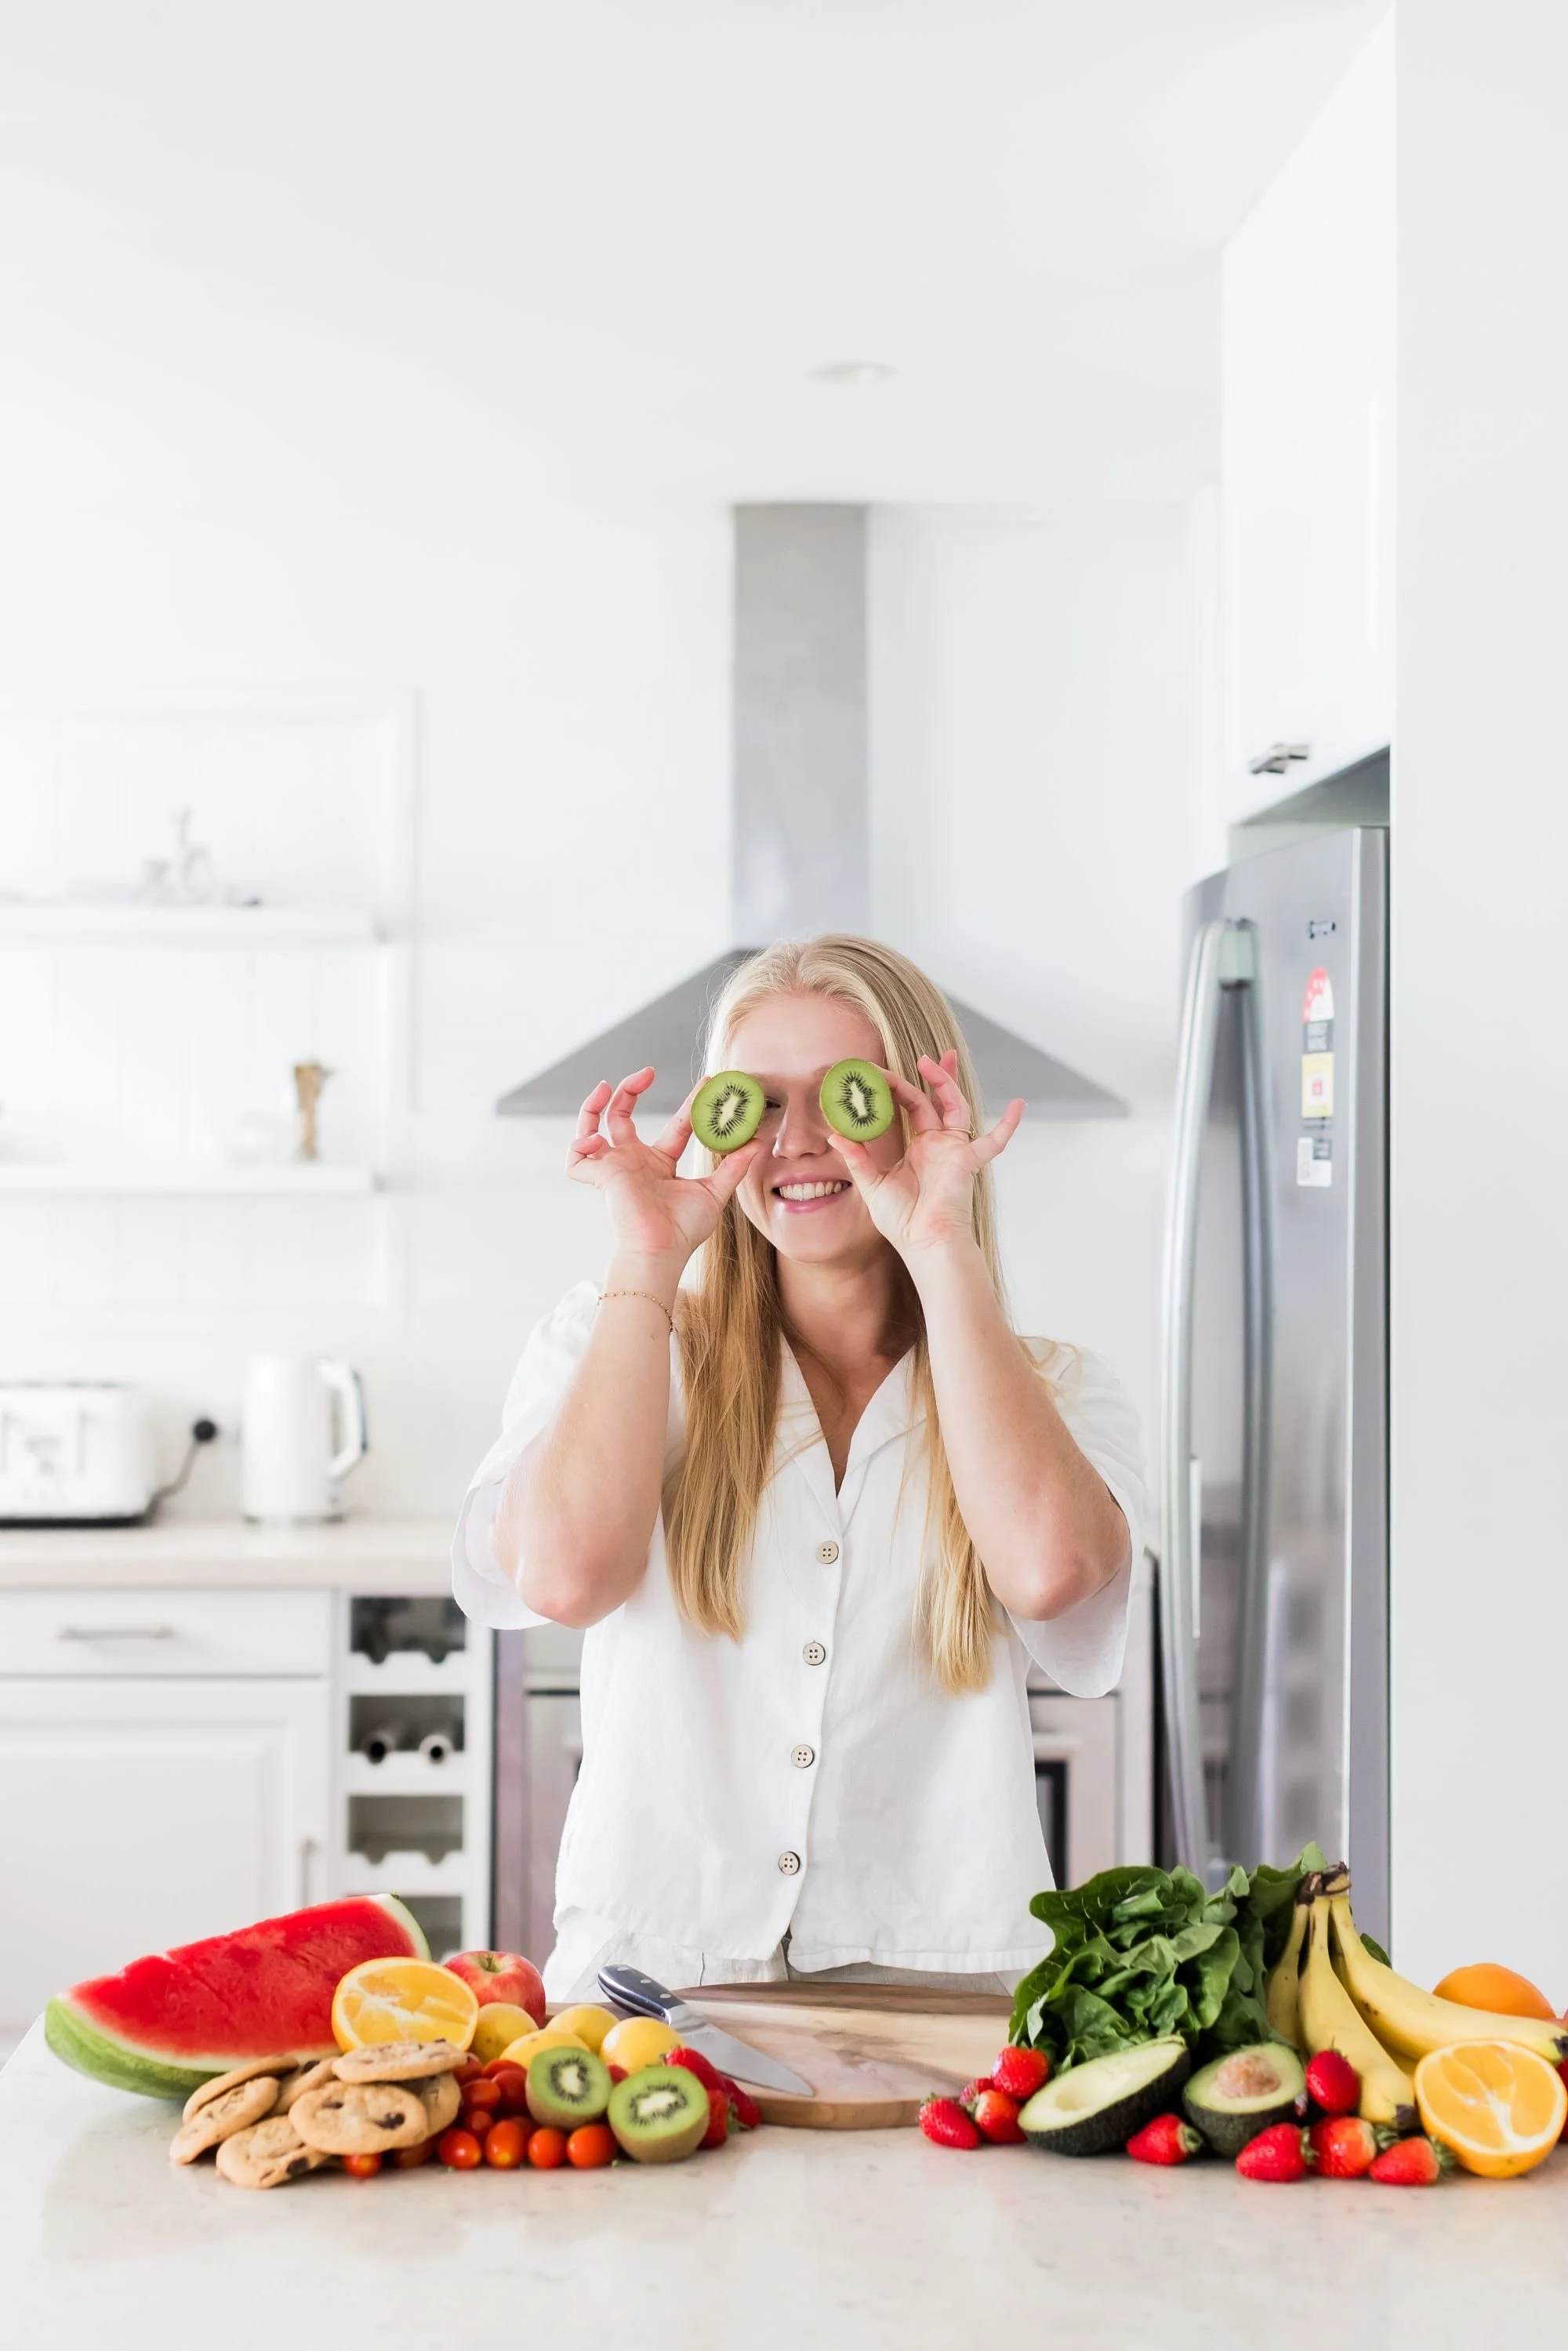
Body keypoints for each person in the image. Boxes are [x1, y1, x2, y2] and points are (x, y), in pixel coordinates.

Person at [453, 935, 1145, 2001]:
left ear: (922, 1104)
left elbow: (1050, 1571)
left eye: (847, 1094)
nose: (802, 1140)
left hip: (940, 2000)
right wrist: (646, 1252)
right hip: (652, 1993)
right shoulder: (617, 1342)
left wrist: (938, 1241)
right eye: (760, 1101)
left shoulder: (1054, 1388)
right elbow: (564, 1576)